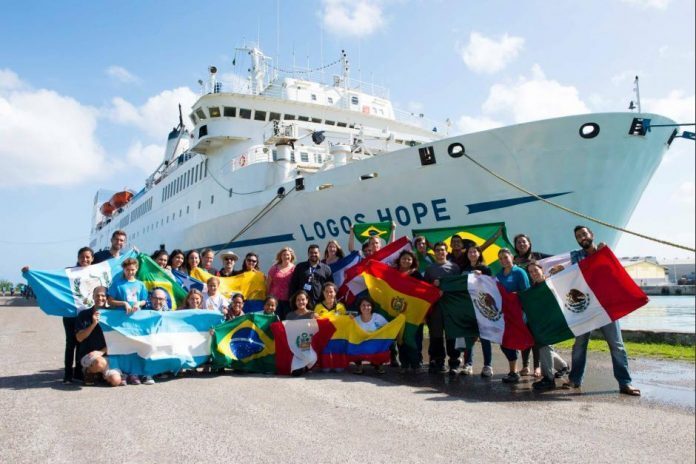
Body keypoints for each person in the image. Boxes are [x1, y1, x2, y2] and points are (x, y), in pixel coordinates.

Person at [558, 226, 641, 396]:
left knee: (617, 346)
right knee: (580, 345)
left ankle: (625, 383)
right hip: (586, 308)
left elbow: (615, 273)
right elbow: (568, 272)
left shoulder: (604, 252)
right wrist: (558, 270)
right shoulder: (575, 256)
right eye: (579, 236)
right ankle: (575, 380)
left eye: (584, 234)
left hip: (606, 306)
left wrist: (604, 253)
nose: (582, 238)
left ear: (591, 235)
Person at [527, 261, 569, 391]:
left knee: (544, 345)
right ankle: (563, 366)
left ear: (542, 270)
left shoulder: (550, 283)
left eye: (536, 270)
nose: (534, 273)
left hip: (551, 321)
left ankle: (548, 379)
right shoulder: (534, 287)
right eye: (531, 272)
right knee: (545, 346)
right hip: (542, 322)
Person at [424, 242, 461, 375]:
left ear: (447, 252)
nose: (440, 252)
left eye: (442, 250)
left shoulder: (454, 267)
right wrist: (434, 287)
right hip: (436, 308)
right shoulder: (430, 269)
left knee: (452, 334)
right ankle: (438, 361)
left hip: (451, 307)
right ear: (434, 253)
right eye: (438, 250)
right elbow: (425, 289)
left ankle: (454, 363)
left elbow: (459, 286)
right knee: (436, 335)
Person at [74, 286, 123, 387]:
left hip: (106, 354)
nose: (100, 298)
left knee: (116, 381)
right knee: (99, 362)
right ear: (93, 296)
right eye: (97, 295)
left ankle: (101, 374)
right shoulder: (84, 314)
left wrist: (101, 352)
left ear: (107, 298)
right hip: (89, 355)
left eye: (103, 296)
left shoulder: (112, 315)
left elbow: (117, 340)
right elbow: (79, 338)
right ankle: (89, 371)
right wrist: (93, 324)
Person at [495, 248, 530, 384]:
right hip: (504, 315)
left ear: (512, 257)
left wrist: (515, 298)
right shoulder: (499, 275)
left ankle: (513, 372)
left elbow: (526, 293)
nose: (503, 260)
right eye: (501, 258)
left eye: (505, 257)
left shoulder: (520, 272)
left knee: (521, 341)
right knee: (505, 343)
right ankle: (513, 372)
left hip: (518, 313)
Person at [459, 245, 494, 378]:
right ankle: (468, 364)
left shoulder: (486, 269)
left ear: (479, 254)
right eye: (470, 252)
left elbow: (491, 286)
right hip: (468, 307)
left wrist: (482, 276)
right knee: (469, 336)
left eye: (475, 251)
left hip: (482, 307)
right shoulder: (464, 269)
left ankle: (487, 366)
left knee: (485, 336)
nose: (472, 254)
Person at [393, 250, 425, 373]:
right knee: (401, 339)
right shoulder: (393, 273)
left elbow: (424, 291)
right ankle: (404, 364)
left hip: (414, 312)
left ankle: (416, 364)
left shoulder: (416, 274)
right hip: (398, 311)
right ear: (399, 259)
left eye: (409, 259)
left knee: (413, 338)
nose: (406, 261)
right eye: (404, 258)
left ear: (413, 262)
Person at [353, 296, 388, 375]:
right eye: (363, 305)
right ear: (359, 307)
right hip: (361, 345)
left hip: (375, 346)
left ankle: (378, 364)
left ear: (372, 307)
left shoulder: (378, 317)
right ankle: (359, 365)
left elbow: (388, 328)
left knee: (382, 344)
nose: (366, 307)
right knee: (352, 344)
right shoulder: (355, 320)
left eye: (368, 305)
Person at [266, 247, 296, 320]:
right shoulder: (274, 268)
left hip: (288, 301)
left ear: (291, 256)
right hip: (275, 301)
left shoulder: (295, 269)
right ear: (280, 256)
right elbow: (268, 284)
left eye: (288, 255)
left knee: (287, 321)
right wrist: (267, 298)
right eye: (284, 255)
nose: (286, 256)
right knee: (275, 320)